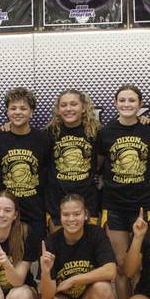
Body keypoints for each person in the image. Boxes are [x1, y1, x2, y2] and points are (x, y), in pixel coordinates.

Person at [96, 84, 150, 299]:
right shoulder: (107, 132)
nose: (127, 104)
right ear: (115, 103)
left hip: (144, 206)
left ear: (140, 103)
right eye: (122, 100)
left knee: (143, 263)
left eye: (132, 100)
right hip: (114, 205)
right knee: (121, 266)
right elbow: (99, 165)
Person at [38, 194, 120, 299]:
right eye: (66, 215)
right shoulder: (51, 242)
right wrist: (45, 271)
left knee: (103, 288)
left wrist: (74, 279)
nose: (71, 219)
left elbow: (111, 271)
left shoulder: (96, 234)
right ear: (60, 217)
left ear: (85, 215)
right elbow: (47, 294)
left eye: (76, 214)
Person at [0, 87, 50, 245]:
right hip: (6, 211)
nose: (18, 112)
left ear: (31, 111)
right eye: (13, 108)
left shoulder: (43, 139)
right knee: (6, 257)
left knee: (37, 255)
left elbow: (48, 173)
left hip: (35, 209)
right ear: (7, 112)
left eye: (23, 108)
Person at [45, 89, 102, 229]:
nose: (68, 109)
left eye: (73, 104)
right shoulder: (49, 133)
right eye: (64, 105)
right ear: (58, 110)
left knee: (88, 247)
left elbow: (101, 160)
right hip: (56, 199)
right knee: (59, 247)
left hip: (87, 199)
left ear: (83, 108)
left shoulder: (95, 132)